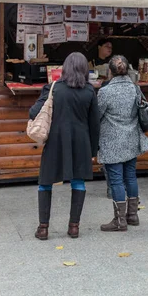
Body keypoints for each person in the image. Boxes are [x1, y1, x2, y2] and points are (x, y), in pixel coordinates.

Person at [30, 52, 100, 240]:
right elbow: (95, 124)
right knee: (78, 181)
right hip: (82, 142)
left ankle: (43, 228)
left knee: (45, 183)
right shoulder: (89, 91)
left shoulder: (53, 88)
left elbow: (33, 112)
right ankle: (74, 227)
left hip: (55, 141)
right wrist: (94, 151)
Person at [97, 56, 148, 232]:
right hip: (132, 138)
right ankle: (132, 215)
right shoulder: (135, 89)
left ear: (110, 71)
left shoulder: (105, 92)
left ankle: (119, 220)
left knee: (115, 180)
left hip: (111, 141)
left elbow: (96, 115)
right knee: (130, 176)